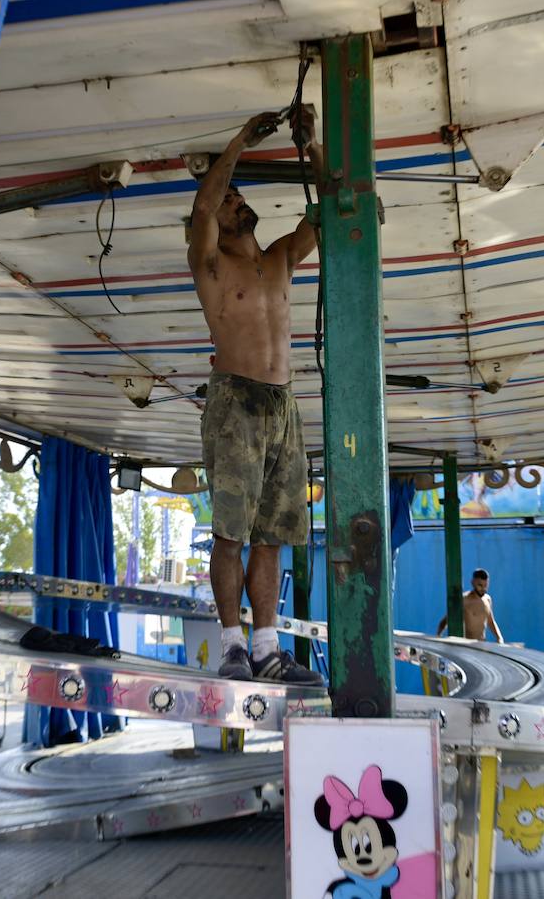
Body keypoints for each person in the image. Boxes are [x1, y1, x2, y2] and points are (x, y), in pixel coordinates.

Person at [190, 106, 324, 685]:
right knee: (231, 532)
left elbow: (325, 210)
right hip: (235, 402)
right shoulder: (210, 264)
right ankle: (231, 647)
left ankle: (267, 649)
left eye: (241, 199)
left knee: (272, 535)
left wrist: (311, 145)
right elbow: (202, 204)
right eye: (231, 201)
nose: (238, 204)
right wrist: (243, 136)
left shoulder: (279, 259)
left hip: (282, 405)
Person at [436, 569, 505, 642]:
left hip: (482, 644)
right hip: (467, 646)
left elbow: (490, 621)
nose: (483, 589)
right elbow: (446, 620)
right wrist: (438, 636)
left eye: (486, 585)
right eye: (480, 585)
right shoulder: (464, 600)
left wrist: (499, 637)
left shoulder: (488, 599)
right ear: (473, 582)